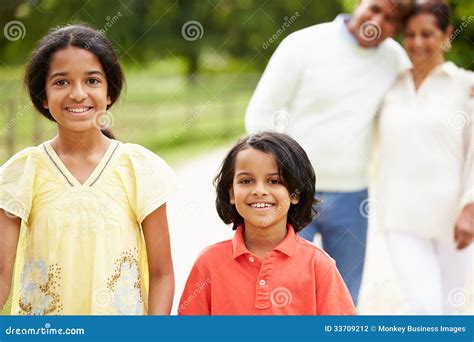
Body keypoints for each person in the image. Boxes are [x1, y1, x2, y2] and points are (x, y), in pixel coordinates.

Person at [245, 0, 413, 306]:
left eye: (391, 19)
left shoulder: (394, 59)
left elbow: (423, 91)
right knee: (286, 296)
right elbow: (261, 113)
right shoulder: (303, 44)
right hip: (293, 192)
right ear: (360, 3)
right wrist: (277, 179)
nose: (377, 21)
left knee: (345, 297)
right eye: (374, 8)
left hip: (354, 195)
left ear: (398, 29)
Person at [0, 24, 177, 315]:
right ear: (43, 96)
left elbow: (162, 274)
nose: (78, 93)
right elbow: (2, 271)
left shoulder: (138, 169)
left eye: (92, 81)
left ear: (109, 92)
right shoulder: (23, 172)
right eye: (61, 82)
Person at [178, 132, 355, 315]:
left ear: (295, 194)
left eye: (274, 181)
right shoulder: (208, 263)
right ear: (231, 193)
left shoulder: (319, 265)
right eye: (246, 181)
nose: (259, 190)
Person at [375, 0, 473, 314]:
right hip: (400, 217)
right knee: (425, 309)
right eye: (411, 34)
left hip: (454, 219)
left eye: (427, 33)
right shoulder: (389, 85)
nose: (417, 42)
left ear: (446, 34)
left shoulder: (465, 86)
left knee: (451, 308)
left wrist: (470, 208)